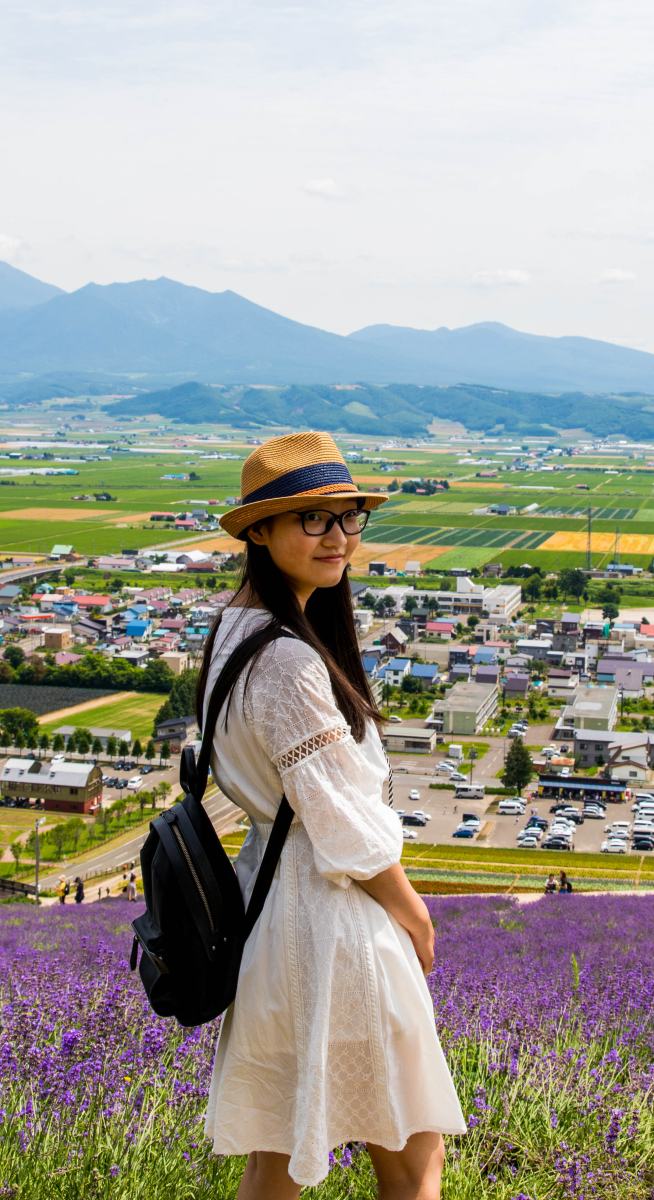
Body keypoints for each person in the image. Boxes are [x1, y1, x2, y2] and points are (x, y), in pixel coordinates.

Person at [199, 432, 463, 1199]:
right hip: (337, 923)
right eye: (312, 519)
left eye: (348, 517)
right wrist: (414, 915)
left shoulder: (234, 632)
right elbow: (341, 822)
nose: (338, 536)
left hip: (275, 924)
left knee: (275, 1157)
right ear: (259, 532)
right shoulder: (287, 659)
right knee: (414, 1160)